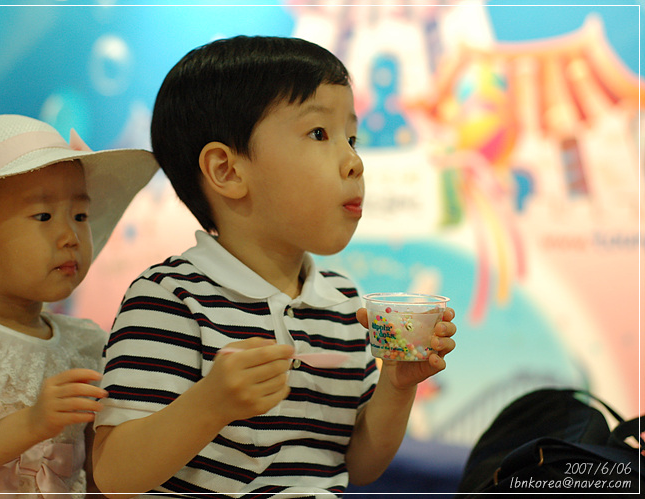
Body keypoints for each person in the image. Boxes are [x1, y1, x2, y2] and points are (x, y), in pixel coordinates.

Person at [92, 36, 457, 497]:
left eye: (352, 138)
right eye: (319, 134)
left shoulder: (343, 302)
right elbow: (114, 475)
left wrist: (397, 384)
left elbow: (360, 465)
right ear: (227, 171)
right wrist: (210, 404)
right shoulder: (170, 298)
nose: (354, 162)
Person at [0, 114, 159, 496]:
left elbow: (100, 470)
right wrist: (34, 422)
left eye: (80, 215)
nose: (71, 236)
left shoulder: (85, 344)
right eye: (43, 216)